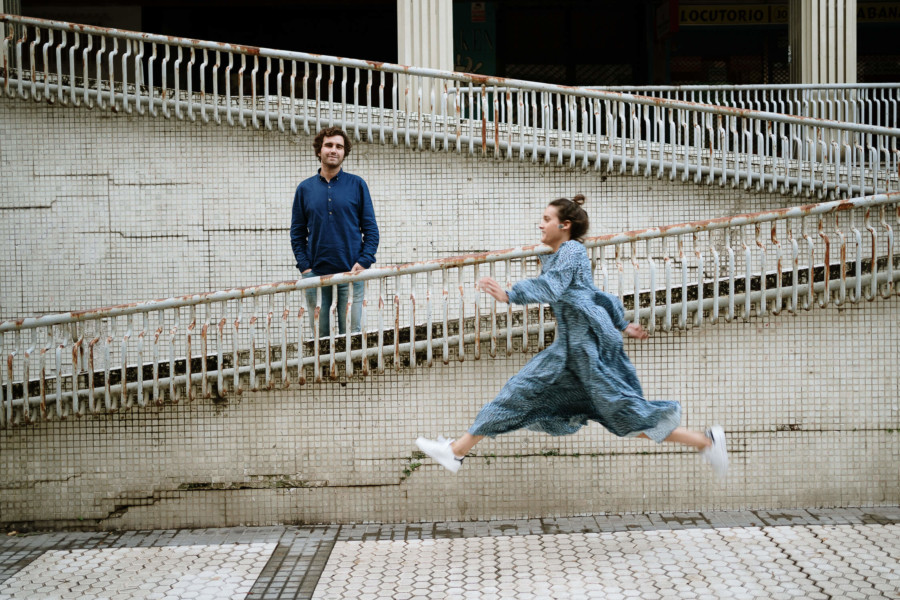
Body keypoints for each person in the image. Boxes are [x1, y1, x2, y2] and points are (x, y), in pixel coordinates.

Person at [416, 195, 729, 478]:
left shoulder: (571, 250)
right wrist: (622, 323)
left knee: (619, 414)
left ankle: (456, 451)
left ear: (565, 226)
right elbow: (593, 294)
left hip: (583, 353)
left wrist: (510, 295)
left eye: (547, 219)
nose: (540, 224)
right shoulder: (562, 254)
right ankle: (456, 451)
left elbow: (554, 286)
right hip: (572, 352)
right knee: (532, 397)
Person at [291, 127, 379, 338]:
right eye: (328, 145)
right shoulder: (305, 189)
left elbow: (371, 229)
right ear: (319, 150)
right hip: (316, 275)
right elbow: (297, 232)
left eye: (339, 146)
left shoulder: (357, 185)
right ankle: (323, 371)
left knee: (351, 336)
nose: (333, 150)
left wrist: (364, 261)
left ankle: (347, 373)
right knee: (320, 338)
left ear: (344, 152)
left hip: (351, 273)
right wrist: (305, 267)